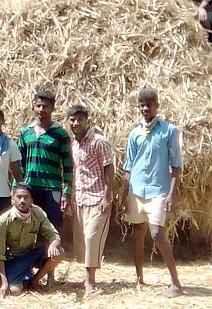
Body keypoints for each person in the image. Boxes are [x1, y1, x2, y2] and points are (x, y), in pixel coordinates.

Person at [121, 88, 183, 297]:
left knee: (157, 233)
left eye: (149, 104)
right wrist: (124, 193)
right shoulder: (134, 133)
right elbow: (128, 165)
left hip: (158, 190)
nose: (145, 108)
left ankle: (176, 282)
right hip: (136, 188)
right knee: (138, 232)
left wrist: (171, 194)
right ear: (138, 106)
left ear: (157, 105)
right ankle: (139, 279)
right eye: (142, 104)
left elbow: (175, 166)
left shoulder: (169, 131)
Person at [18, 90, 71, 285]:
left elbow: (68, 165)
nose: (42, 109)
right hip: (29, 189)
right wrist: (17, 188)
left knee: (52, 232)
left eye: (46, 106)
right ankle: (27, 272)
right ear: (33, 106)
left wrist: (67, 191)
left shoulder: (60, 134)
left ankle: (49, 274)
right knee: (29, 231)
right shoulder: (25, 132)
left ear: (53, 108)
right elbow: (19, 164)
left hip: (51, 190)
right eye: (39, 105)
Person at [67, 104, 114, 297]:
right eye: (72, 119)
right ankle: (86, 279)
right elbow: (75, 172)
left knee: (91, 238)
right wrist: (71, 198)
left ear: (87, 120)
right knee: (83, 242)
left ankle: (90, 284)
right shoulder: (74, 143)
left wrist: (107, 196)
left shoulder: (98, 141)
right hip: (81, 198)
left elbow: (109, 169)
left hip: (97, 199)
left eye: (80, 119)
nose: (76, 123)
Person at [0, 183, 63, 298]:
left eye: (26, 197)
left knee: (59, 252)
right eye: (19, 197)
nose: (22, 201)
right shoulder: (3, 221)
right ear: (12, 200)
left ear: (31, 200)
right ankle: (22, 277)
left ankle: (34, 281)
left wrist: (53, 244)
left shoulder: (38, 213)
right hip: (13, 259)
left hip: (31, 254)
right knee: (15, 291)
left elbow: (54, 235)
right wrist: (4, 282)